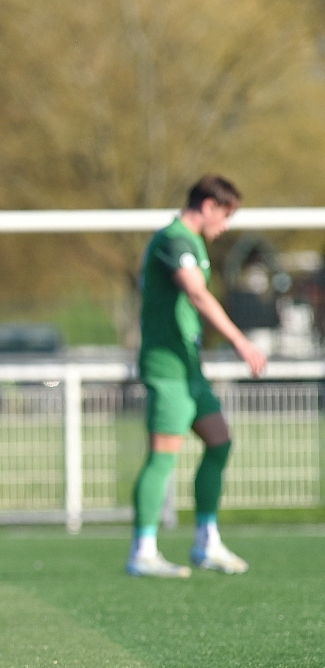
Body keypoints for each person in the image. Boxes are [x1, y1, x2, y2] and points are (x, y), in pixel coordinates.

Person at [128, 175, 267, 578]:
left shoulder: (193, 243)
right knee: (163, 455)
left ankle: (207, 541)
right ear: (208, 206)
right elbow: (197, 293)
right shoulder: (173, 239)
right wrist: (241, 342)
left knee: (219, 441)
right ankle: (143, 550)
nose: (225, 225)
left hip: (189, 366)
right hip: (166, 366)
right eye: (225, 215)